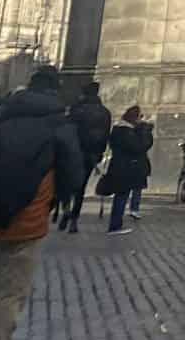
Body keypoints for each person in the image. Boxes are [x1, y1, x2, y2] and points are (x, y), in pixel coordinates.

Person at [0, 66, 84, 340]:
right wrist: (55, 200)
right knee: (6, 296)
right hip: (26, 221)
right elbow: (74, 174)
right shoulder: (59, 123)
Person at [59, 80, 111, 233]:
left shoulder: (77, 110)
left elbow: (68, 130)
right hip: (92, 154)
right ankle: (74, 219)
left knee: (68, 183)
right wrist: (100, 154)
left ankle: (66, 208)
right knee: (81, 188)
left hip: (73, 152)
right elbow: (105, 135)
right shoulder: (104, 112)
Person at [101, 105, 154, 233]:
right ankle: (115, 225)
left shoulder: (119, 130)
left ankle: (116, 223)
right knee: (121, 195)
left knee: (121, 195)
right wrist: (145, 131)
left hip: (120, 166)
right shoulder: (126, 132)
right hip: (126, 168)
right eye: (140, 117)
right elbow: (140, 147)